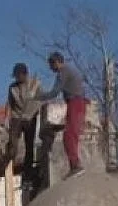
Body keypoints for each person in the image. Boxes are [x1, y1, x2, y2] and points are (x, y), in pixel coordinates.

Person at [34, 52, 88, 179]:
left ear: (56, 62)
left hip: (75, 102)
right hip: (79, 102)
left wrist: (38, 97)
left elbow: (54, 92)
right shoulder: (71, 69)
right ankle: (74, 165)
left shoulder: (63, 72)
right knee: (72, 134)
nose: (50, 68)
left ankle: (76, 166)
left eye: (51, 64)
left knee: (69, 135)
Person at [5, 63, 42, 196]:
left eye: (18, 76)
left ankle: (27, 177)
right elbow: (9, 104)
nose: (17, 78)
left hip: (30, 116)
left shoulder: (35, 84)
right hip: (16, 116)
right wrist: (7, 119)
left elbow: (39, 102)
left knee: (29, 146)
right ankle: (8, 167)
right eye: (15, 76)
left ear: (25, 74)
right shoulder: (12, 88)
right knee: (12, 143)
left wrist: (29, 115)